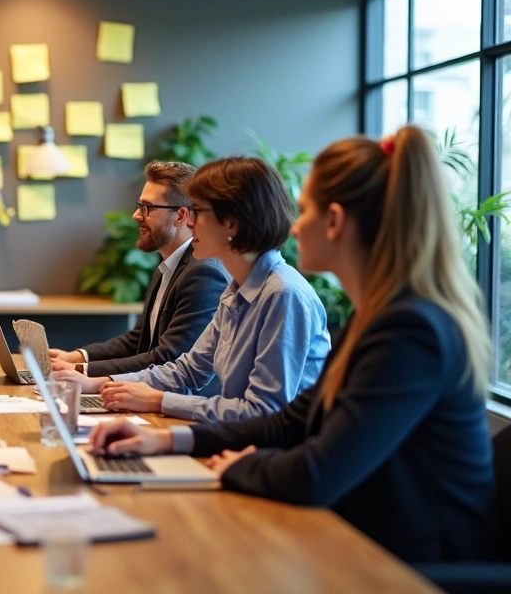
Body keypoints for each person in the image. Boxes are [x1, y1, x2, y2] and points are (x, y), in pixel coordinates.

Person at [88, 127, 499, 563]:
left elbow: (317, 472)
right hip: (370, 539)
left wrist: (234, 466)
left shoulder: (409, 331)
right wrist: (166, 443)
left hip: (414, 568)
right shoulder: (377, 316)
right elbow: (288, 422)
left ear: (336, 221)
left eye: (305, 211)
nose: (294, 226)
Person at [55, 156, 331, 422]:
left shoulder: (283, 295)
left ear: (231, 224)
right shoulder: (236, 289)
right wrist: (103, 384)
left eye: (197, 212)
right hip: (236, 439)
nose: (189, 222)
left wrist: (158, 401)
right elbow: (187, 369)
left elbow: (262, 412)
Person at [49, 161, 229, 379]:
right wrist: (75, 357)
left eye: (148, 207)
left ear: (180, 216)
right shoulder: (166, 267)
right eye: (139, 205)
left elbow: (168, 358)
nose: (136, 215)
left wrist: (81, 371)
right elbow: (138, 340)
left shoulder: (203, 274)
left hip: (183, 407)